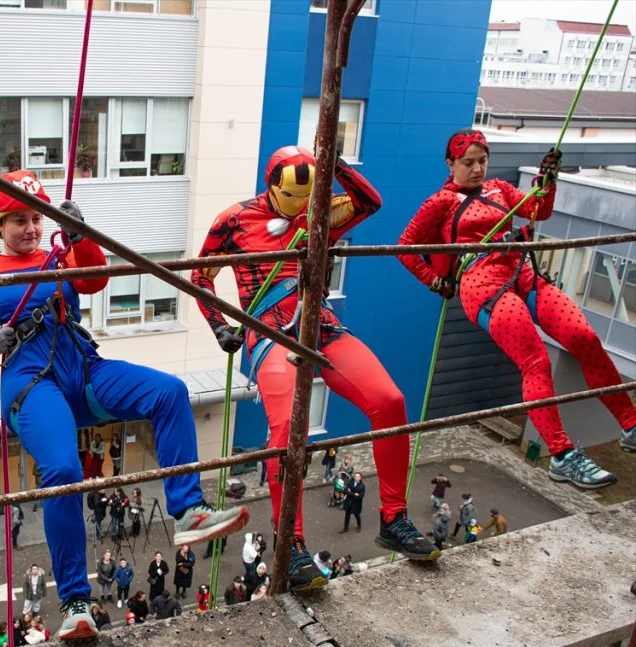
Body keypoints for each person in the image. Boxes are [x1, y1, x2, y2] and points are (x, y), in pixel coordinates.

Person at [0, 170, 248, 638]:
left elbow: (96, 281)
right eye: (19, 220)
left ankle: (187, 510)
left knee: (168, 391)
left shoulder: (60, 256)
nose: (29, 227)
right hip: (30, 382)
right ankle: (75, 603)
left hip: (81, 366)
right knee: (64, 473)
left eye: (36, 218)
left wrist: (78, 234)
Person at [192, 146, 437, 593]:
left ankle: (394, 518)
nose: (299, 206)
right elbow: (200, 276)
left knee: (390, 401)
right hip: (269, 331)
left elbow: (370, 203)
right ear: (271, 187)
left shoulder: (320, 211)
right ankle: (294, 543)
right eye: (291, 196)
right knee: (286, 426)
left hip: (320, 323)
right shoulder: (234, 220)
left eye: (307, 195)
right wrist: (218, 326)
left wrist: (336, 166)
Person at [397, 129, 636, 488]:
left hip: (521, 270)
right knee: (535, 360)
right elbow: (406, 245)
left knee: (583, 337)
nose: (477, 169)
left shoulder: (500, 189)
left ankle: (631, 423)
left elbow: (538, 209)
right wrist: (435, 280)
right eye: (468, 163)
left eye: (482, 161)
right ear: (451, 164)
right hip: (481, 282)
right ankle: (562, 455)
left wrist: (547, 180)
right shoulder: (440, 203)